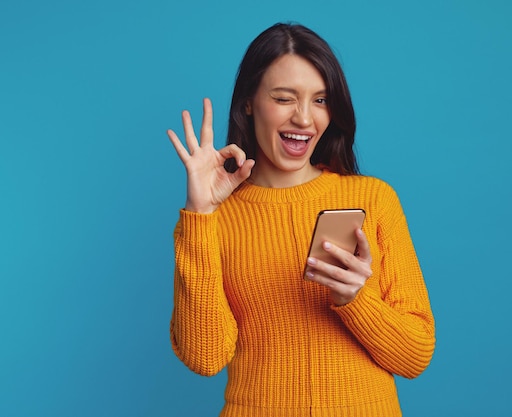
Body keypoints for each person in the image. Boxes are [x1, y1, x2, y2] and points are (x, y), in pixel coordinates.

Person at [168, 22, 435, 417]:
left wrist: (355, 300)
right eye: (284, 98)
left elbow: (414, 356)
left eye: (321, 100)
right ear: (248, 102)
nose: (304, 119)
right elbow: (204, 357)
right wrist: (200, 214)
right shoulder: (209, 219)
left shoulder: (374, 199)